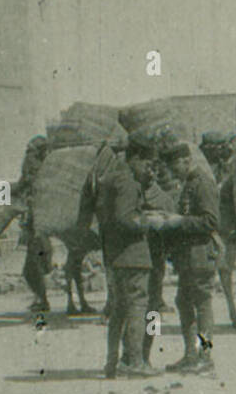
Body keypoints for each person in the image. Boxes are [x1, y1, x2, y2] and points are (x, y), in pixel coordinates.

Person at [94, 130, 169, 379]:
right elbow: (125, 218)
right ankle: (135, 362)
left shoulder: (112, 178)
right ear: (135, 157)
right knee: (138, 307)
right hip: (133, 255)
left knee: (118, 310)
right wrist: (150, 222)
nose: (149, 168)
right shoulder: (127, 182)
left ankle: (112, 362)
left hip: (115, 255)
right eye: (146, 162)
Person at [159, 142, 222, 375]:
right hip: (188, 257)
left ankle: (205, 357)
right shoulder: (188, 184)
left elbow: (211, 221)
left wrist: (179, 222)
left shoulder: (203, 184)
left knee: (202, 304)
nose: (172, 171)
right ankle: (190, 355)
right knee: (184, 303)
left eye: (175, 165)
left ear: (187, 161)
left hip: (201, 255)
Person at [14, 136, 52, 313]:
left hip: (37, 228)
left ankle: (43, 301)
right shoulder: (45, 174)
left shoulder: (36, 179)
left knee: (31, 268)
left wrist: (0, 191)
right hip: (39, 228)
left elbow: (23, 183)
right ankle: (41, 299)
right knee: (35, 266)